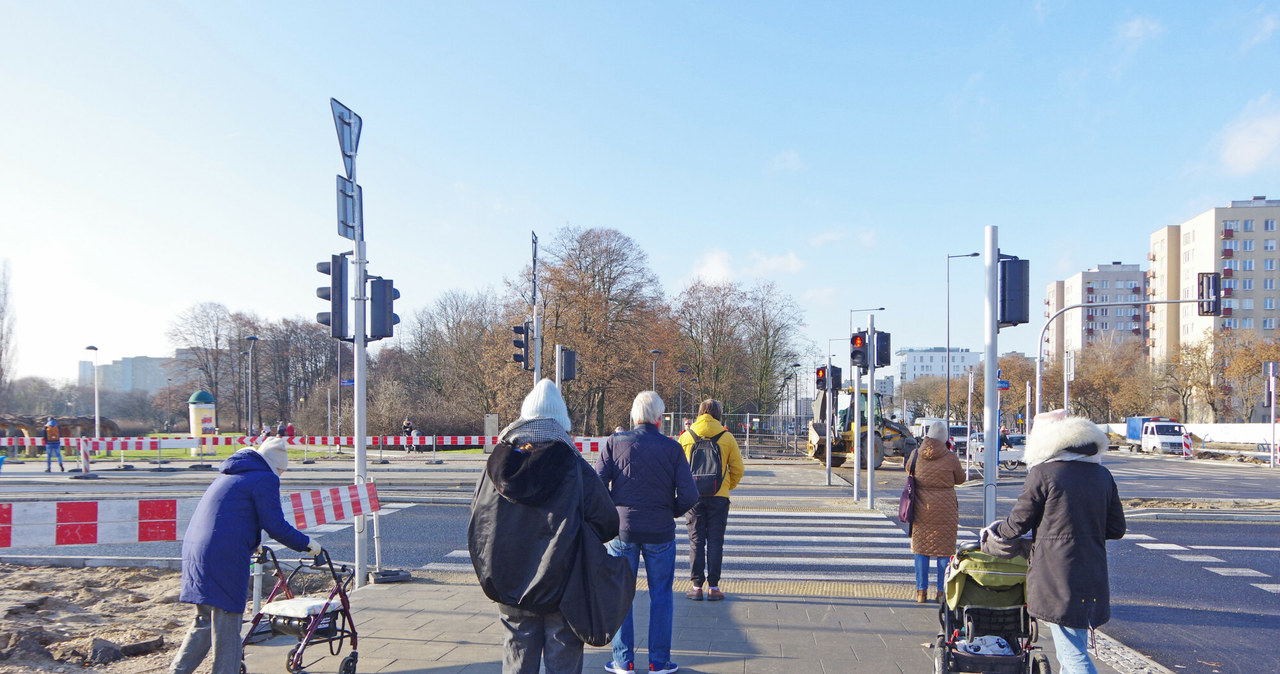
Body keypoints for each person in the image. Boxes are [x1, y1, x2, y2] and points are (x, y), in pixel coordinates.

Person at [469, 379, 618, 674]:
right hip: (563, 588)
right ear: (562, 422)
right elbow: (608, 523)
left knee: (517, 661)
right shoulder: (575, 468)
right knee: (562, 662)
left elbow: (478, 522)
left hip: (510, 586)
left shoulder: (495, 467)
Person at [988, 410, 1125, 674]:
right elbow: (1117, 528)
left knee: (1073, 655)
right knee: (1071, 647)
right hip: (1093, 570)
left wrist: (995, 533)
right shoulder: (1102, 474)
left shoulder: (1044, 473)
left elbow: (1018, 523)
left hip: (1057, 572)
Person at [170, 438, 320, 674]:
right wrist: (307, 544)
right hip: (223, 556)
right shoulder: (265, 478)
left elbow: (233, 516)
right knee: (228, 622)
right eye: (281, 469)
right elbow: (275, 525)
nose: (281, 474)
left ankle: (177, 671)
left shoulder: (233, 474)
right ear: (274, 464)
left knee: (204, 621)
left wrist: (254, 542)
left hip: (197, 551)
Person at [596, 391, 699, 674]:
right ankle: (659, 662)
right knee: (662, 596)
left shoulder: (614, 443)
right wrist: (670, 511)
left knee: (621, 595)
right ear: (658, 418)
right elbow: (690, 494)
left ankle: (623, 661)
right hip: (660, 532)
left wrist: (611, 516)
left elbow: (596, 488)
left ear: (634, 416)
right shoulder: (673, 448)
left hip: (622, 533)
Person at [677, 399, 744, 601]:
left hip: (693, 498)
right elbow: (738, 469)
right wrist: (726, 487)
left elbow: (678, 470)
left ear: (699, 413)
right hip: (719, 497)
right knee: (716, 542)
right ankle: (714, 587)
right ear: (719, 414)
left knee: (696, 541)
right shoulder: (727, 437)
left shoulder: (686, 437)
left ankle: (697, 587)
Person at [908, 421, 966, 603]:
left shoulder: (916, 454)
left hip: (920, 507)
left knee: (921, 549)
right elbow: (960, 479)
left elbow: (908, 470)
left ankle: (921, 592)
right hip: (945, 509)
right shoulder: (950, 457)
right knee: (944, 550)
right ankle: (942, 592)